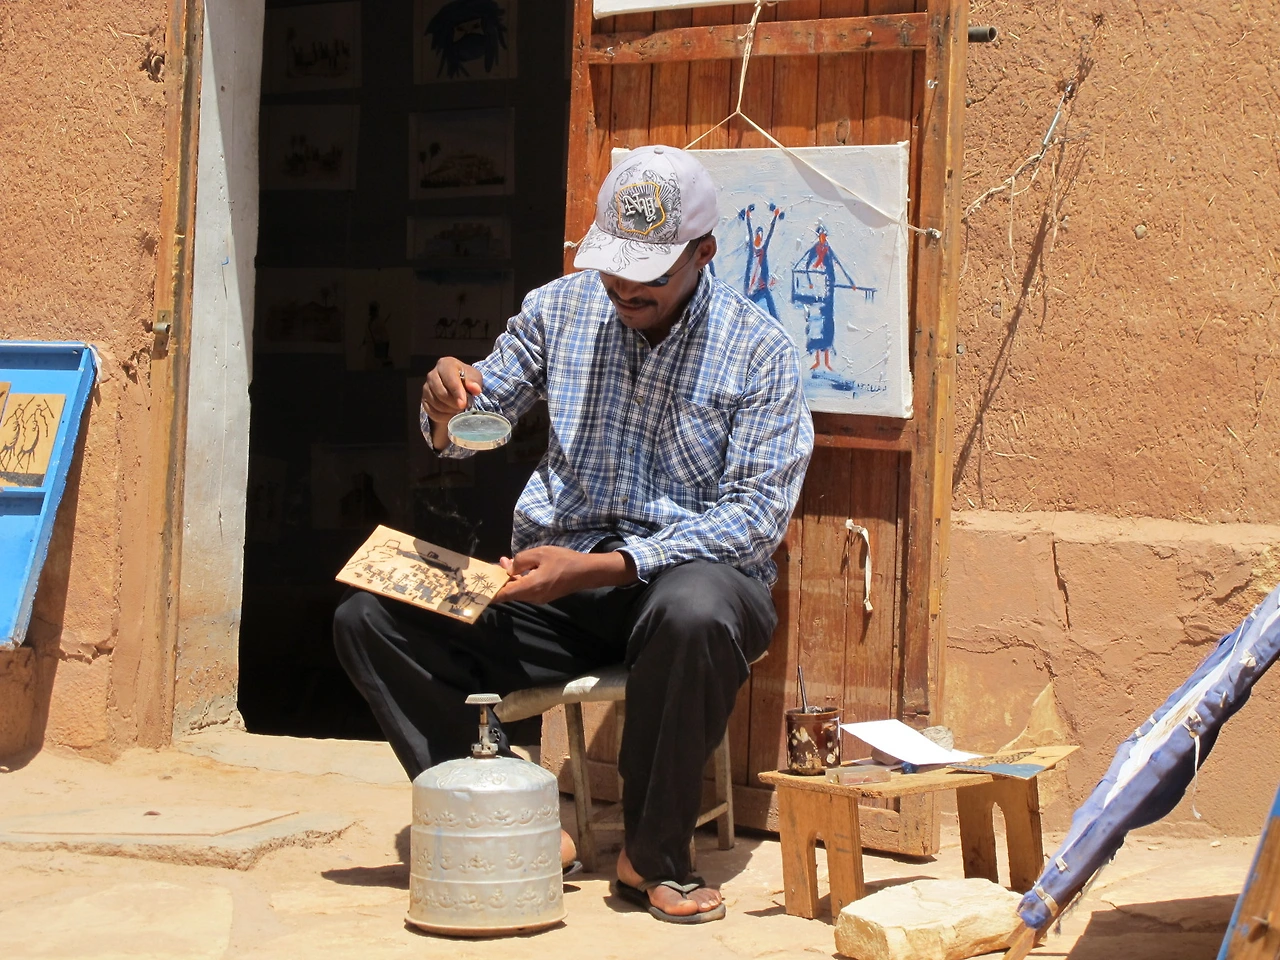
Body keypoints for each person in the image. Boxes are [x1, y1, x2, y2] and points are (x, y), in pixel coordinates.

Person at [333, 145, 814, 924]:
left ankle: (651, 858)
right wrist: (446, 407)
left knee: (691, 608)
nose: (626, 288)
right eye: (615, 268)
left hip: (690, 585)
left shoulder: (759, 349)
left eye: (650, 273)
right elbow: (478, 427)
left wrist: (605, 568)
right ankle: (512, 818)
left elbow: (754, 519)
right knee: (372, 612)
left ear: (704, 254)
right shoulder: (558, 308)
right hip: (553, 587)